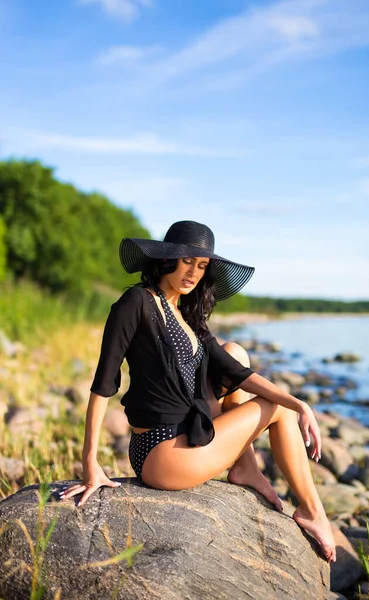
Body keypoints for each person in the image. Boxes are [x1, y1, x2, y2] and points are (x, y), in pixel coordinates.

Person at [60, 220, 336, 563]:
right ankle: (313, 512)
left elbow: (237, 372)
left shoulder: (187, 315)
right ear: (166, 260)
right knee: (276, 411)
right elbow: (104, 382)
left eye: (202, 266)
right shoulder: (137, 302)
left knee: (235, 353)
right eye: (187, 261)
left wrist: (300, 404)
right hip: (160, 450)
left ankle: (245, 466)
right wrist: (90, 462)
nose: (193, 272)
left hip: (185, 433)